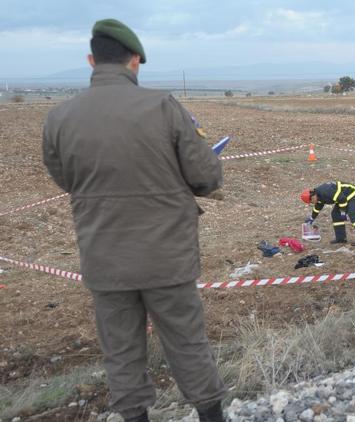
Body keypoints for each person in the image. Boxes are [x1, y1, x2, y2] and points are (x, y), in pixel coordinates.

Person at [41, 19, 226, 422]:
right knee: (187, 344)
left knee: (121, 353)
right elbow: (206, 176)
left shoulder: (59, 118)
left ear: (91, 60)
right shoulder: (163, 106)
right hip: (168, 259)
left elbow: (65, 179)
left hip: (104, 260)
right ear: (136, 61)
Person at [301, 181, 355, 246]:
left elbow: (342, 199)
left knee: (353, 214)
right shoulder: (318, 196)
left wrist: (343, 212)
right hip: (341, 197)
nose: (312, 203)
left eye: (311, 201)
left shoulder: (326, 192)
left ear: (312, 196)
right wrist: (312, 218)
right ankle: (341, 238)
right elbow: (317, 208)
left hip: (351, 193)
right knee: (335, 214)